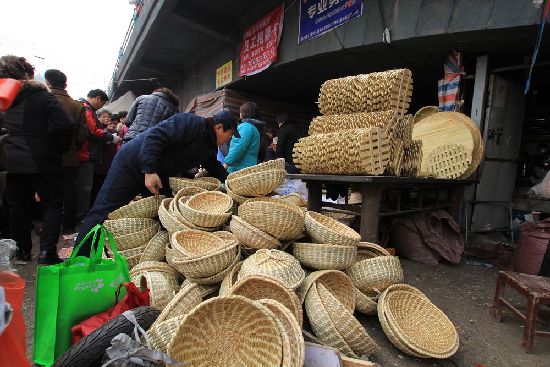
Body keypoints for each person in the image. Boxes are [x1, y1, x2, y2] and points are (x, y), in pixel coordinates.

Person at [75, 109, 239, 255]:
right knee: (105, 209)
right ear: (218, 127)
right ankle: (80, 259)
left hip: (157, 174)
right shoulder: (192, 122)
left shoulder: (208, 145)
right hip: (133, 163)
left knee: (165, 212)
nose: (227, 140)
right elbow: (156, 136)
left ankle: (153, 256)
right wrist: (149, 170)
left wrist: (232, 182)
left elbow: (213, 165)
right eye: (229, 136)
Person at [0, 55, 74, 264]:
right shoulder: (43, 97)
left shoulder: (4, 100)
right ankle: (47, 253)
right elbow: (64, 125)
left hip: (13, 161)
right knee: (52, 204)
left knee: (18, 206)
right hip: (44, 159)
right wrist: (57, 148)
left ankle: (22, 252)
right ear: (25, 75)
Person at [44, 69, 88, 234]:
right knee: (70, 190)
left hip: (45, 156)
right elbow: (83, 134)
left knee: (49, 194)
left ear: (48, 83)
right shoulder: (77, 105)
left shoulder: (45, 101)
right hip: (70, 156)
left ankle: (48, 229)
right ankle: (69, 225)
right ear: (65, 84)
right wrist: (73, 147)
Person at [77, 90, 121, 223]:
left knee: (85, 188)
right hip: (85, 154)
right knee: (84, 189)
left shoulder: (83, 107)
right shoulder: (86, 109)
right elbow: (92, 131)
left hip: (85, 154)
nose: (101, 106)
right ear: (98, 98)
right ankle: (81, 217)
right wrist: (110, 137)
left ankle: (81, 215)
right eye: (102, 103)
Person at [223, 102, 260, 173]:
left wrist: (226, 163)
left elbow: (239, 146)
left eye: (240, 111)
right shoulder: (253, 128)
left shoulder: (245, 127)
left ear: (244, 113)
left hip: (239, 169)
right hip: (248, 167)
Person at [90, 114, 118, 206]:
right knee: (95, 187)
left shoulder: (112, 133)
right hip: (98, 164)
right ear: (98, 118)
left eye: (108, 117)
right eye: (104, 117)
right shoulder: (101, 132)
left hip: (107, 165)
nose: (106, 119)